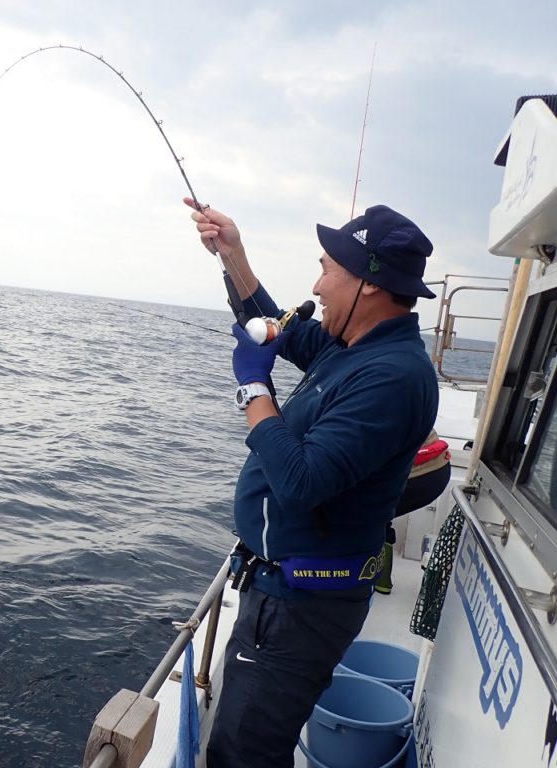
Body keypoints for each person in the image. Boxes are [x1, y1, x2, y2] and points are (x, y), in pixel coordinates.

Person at [186, 199, 440, 768]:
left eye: (327, 270)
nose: (316, 286)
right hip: (283, 592)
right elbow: (274, 325)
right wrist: (233, 255)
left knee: (243, 753)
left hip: (300, 607)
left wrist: (254, 390)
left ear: (368, 283)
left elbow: (301, 482)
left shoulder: (392, 376)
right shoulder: (350, 346)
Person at [375, 429, 451, 594]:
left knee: (361, 513)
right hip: (437, 468)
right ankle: (380, 581)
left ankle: (371, 579)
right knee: (375, 515)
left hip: (418, 473)